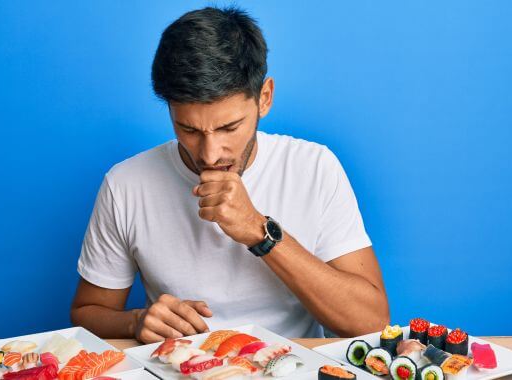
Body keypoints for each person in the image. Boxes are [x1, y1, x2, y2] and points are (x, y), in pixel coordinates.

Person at [70, 6, 389, 343]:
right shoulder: (126, 184)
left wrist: (259, 232)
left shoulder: (313, 168)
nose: (209, 154)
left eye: (229, 127)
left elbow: (370, 322)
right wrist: (135, 322)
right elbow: (87, 311)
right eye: (188, 129)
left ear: (264, 99)